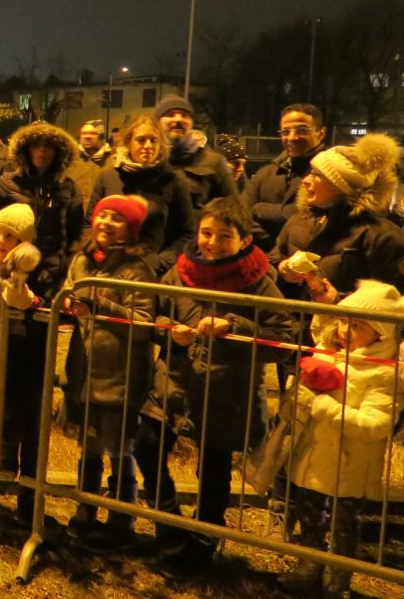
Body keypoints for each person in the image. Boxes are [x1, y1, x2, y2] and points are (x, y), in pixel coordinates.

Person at [138, 198, 292, 577]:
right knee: (145, 443)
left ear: (243, 241)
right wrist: (169, 331)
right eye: (207, 233)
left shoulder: (259, 282)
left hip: (228, 391)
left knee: (213, 470)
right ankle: (171, 527)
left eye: (224, 236)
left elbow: (284, 337)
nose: (212, 242)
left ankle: (203, 542)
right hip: (175, 383)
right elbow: (155, 314)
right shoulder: (180, 272)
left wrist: (235, 327)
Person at [278, 281, 403, 597]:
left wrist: (321, 406)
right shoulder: (330, 353)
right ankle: (308, 567)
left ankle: (337, 581)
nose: (345, 330)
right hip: (314, 460)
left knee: (342, 525)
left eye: (357, 325)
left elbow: (376, 424)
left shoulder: (384, 373)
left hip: (349, 468)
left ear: (380, 334)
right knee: (309, 516)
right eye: (343, 321)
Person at [61, 195, 156, 550]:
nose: (107, 224)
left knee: (119, 450)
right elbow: (68, 292)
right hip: (84, 372)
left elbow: (144, 324)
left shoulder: (137, 270)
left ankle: (121, 519)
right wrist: (67, 302)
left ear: (131, 229)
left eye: (118, 219)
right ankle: (85, 510)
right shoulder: (81, 261)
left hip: (120, 376)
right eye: (103, 216)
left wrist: (101, 305)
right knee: (88, 447)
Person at [0, 202, 52, 524]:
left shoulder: (39, 269)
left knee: (32, 430)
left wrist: (29, 299)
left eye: (10, 236)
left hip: (29, 360)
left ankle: (29, 499)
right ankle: (1, 478)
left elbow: (46, 303)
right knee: (4, 417)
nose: (0, 241)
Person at [273, 132, 404, 299]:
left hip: (342, 317)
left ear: (339, 186)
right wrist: (283, 269)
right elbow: (273, 258)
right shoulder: (300, 220)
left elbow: (392, 299)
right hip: (292, 316)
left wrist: (336, 300)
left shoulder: (382, 236)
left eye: (316, 174)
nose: (305, 180)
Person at [91, 115, 196, 277]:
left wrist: (159, 262)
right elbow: (89, 223)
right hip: (106, 270)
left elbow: (187, 233)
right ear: (128, 142)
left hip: (152, 273)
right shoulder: (108, 178)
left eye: (153, 140)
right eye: (141, 140)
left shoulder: (174, 181)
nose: (148, 146)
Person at [0, 121, 84, 289]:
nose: (42, 150)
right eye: (36, 145)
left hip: (52, 278)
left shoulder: (68, 188)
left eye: (48, 145)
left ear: (58, 151)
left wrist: (65, 271)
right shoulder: (7, 184)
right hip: (12, 273)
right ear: (26, 149)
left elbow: (75, 235)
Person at [244, 103, 326, 252]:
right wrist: (276, 243)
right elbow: (241, 213)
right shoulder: (267, 172)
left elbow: (312, 217)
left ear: (321, 133)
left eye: (302, 130)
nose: (292, 137)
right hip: (262, 257)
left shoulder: (329, 175)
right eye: (286, 131)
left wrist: (258, 209)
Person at [153, 94, 237, 210]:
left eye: (185, 115)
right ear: (157, 123)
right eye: (170, 115)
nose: (178, 119)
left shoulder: (215, 163)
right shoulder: (148, 163)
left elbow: (234, 210)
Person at [70, 119, 112, 200]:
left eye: (93, 133)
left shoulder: (112, 161)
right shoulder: (70, 160)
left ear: (101, 137)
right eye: (84, 133)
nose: (87, 137)